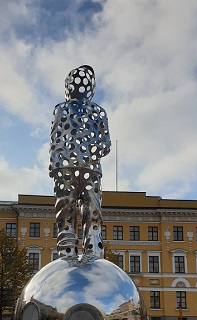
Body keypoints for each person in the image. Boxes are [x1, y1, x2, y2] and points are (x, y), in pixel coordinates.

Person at [49, 65, 111, 259]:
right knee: (92, 211)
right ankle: (94, 250)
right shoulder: (99, 112)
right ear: (91, 88)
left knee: (66, 211)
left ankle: (67, 252)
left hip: (65, 168)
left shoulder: (60, 109)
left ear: (68, 87)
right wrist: (88, 151)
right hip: (90, 170)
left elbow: (55, 141)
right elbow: (106, 146)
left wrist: (56, 166)